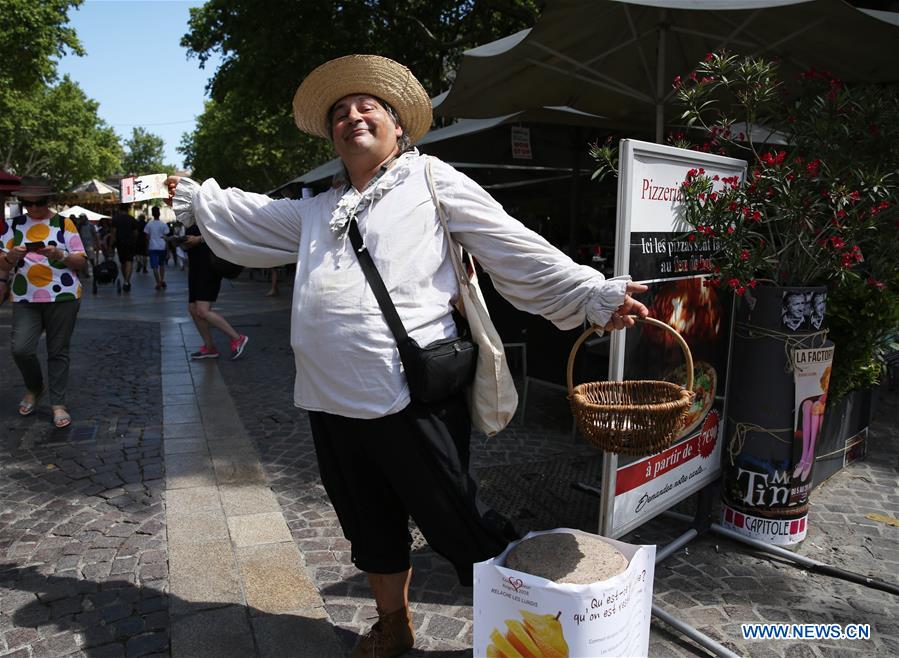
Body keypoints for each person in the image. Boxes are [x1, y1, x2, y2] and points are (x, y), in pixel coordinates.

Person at [166, 55, 648, 658]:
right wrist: (195, 194)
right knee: (368, 525)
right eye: (340, 112)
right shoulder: (316, 209)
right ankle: (393, 625)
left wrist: (590, 293)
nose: (351, 116)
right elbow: (247, 216)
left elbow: (511, 245)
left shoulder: (431, 180)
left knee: (459, 520)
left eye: (367, 106)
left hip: (408, 393)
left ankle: (540, 635)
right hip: (327, 399)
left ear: (400, 127)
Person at [1, 176, 87, 429]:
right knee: (21, 349)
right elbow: (1, 262)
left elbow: (81, 261)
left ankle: (58, 404)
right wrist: (11, 257)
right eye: (28, 204)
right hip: (25, 296)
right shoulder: (13, 225)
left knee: (58, 351)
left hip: (63, 296)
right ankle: (36, 387)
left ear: (48, 201)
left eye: (39, 203)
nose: (34, 209)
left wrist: (60, 254)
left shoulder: (64, 223)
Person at [182, 223, 249, 360]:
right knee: (193, 309)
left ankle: (237, 338)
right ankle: (209, 347)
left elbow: (221, 232)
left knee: (202, 310)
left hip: (208, 267)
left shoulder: (208, 207)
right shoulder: (188, 214)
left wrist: (199, 239)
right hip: (195, 266)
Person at [111, 203, 137, 292]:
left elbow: (113, 233)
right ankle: (126, 281)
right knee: (129, 261)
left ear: (119, 208)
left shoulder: (116, 219)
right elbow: (135, 233)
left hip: (120, 243)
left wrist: (111, 244)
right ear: (128, 209)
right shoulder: (132, 219)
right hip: (130, 243)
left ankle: (126, 280)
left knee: (122, 262)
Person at [145, 206, 170, 290]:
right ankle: (162, 280)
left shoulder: (149, 224)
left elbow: (147, 238)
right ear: (159, 213)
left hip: (152, 247)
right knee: (161, 265)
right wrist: (168, 251)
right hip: (162, 247)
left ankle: (158, 282)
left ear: (152, 214)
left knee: (154, 266)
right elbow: (166, 239)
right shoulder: (163, 224)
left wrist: (147, 247)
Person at [76, 213, 99, 279]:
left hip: (89, 244)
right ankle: (86, 273)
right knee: (83, 260)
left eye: (82, 217)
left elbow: (95, 234)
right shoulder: (79, 226)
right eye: (80, 218)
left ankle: (94, 270)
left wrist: (96, 243)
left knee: (91, 259)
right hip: (81, 245)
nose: (81, 219)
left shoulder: (90, 225)